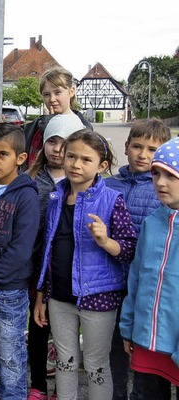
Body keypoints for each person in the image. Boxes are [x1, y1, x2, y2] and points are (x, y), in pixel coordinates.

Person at [34, 129, 137, 400]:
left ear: (102, 166)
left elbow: (128, 250)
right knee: (64, 361)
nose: (76, 164)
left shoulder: (112, 201)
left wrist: (105, 241)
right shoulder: (56, 198)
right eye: (71, 156)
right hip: (59, 297)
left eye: (86, 159)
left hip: (98, 298)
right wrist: (42, 295)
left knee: (96, 365)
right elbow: (49, 248)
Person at [104, 118, 171, 400]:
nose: (143, 155)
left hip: (146, 286)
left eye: (153, 149)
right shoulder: (109, 184)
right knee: (114, 347)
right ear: (127, 147)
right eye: (137, 147)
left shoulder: (164, 189)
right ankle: (116, 393)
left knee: (147, 354)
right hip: (110, 281)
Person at [0, 122, 40, 400]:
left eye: (2, 154)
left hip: (8, 289)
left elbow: (21, 249)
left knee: (10, 355)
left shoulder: (26, 195)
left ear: (21, 158)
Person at [27, 115, 86, 400]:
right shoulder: (31, 182)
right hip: (36, 270)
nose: (57, 149)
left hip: (67, 271)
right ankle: (38, 384)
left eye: (64, 143)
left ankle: (64, 389)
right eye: (52, 141)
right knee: (37, 329)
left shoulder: (81, 184)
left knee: (65, 335)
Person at [120, 137, 179, 400]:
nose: (160, 183)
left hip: (175, 338)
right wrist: (129, 326)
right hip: (148, 338)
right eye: (156, 174)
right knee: (147, 394)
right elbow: (137, 278)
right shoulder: (152, 222)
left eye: (171, 175)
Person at [24, 66, 92, 169]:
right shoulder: (35, 126)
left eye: (57, 92)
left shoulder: (82, 128)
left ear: (71, 91)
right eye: (46, 94)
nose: (52, 99)